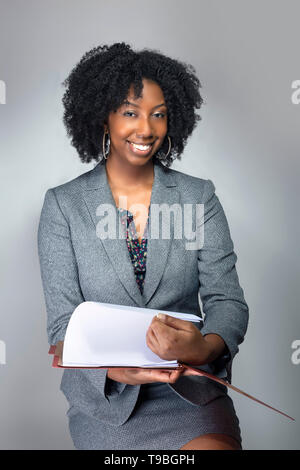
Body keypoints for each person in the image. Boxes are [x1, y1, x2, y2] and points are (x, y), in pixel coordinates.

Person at [37, 42, 249, 450]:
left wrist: (203, 346)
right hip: (107, 401)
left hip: (189, 392)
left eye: (159, 114)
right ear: (104, 117)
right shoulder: (63, 205)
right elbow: (64, 329)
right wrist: (118, 369)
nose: (146, 129)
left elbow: (228, 301)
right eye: (131, 112)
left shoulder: (197, 197)